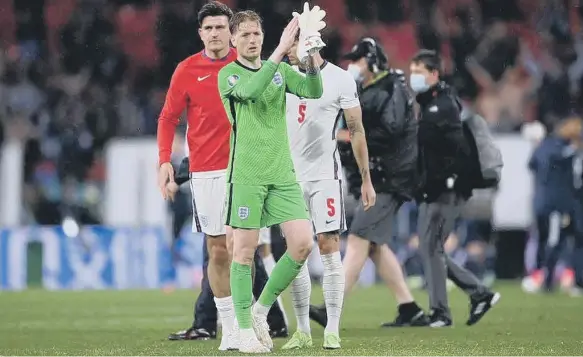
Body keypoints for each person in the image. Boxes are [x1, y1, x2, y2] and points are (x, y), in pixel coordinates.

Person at [217, 8, 324, 353]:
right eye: (245, 34)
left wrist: (307, 57)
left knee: (303, 244)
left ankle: (261, 310)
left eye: (257, 34)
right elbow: (250, 92)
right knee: (244, 254)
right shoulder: (229, 75)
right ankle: (244, 331)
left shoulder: (278, 72)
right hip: (247, 175)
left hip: (281, 173)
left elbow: (313, 90)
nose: (252, 40)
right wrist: (279, 52)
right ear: (232, 39)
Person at [311, 37, 428, 328]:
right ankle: (409, 308)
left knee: (360, 237)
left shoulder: (392, 88)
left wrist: (350, 137)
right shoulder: (374, 88)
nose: (352, 66)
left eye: (358, 60)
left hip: (389, 178)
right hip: (382, 176)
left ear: (373, 61)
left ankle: (331, 307)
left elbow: (391, 131)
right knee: (374, 245)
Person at [280, 36, 375, 350]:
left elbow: (357, 129)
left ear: (310, 45)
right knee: (297, 252)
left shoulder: (340, 78)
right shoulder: (281, 74)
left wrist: (365, 178)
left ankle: (332, 327)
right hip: (290, 179)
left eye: (293, 43)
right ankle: (303, 330)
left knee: (329, 248)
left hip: (325, 177)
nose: (288, 50)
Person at [156, 1, 239, 350]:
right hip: (205, 172)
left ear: (230, 31)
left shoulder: (248, 64)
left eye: (221, 27)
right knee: (218, 252)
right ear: (200, 33)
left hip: (246, 169)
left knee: (246, 250)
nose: (215, 33)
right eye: (209, 28)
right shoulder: (187, 69)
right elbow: (167, 118)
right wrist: (164, 161)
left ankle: (252, 322)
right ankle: (232, 328)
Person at [410, 49, 500, 327]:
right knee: (430, 248)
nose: (414, 78)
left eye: (419, 73)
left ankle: (443, 311)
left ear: (434, 75)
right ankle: (477, 294)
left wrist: (435, 184)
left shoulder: (443, 106)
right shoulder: (433, 102)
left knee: (432, 247)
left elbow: (443, 151)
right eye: (412, 73)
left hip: (445, 190)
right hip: (438, 189)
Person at [165, 157, 289, 343]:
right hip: (221, 174)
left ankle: (260, 321)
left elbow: (214, 141)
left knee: (244, 254)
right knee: (222, 253)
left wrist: (178, 176)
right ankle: (233, 325)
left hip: (241, 174)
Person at [523, 115, 583, 296]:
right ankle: (548, 281)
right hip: (558, 204)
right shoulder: (561, 149)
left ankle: (559, 279)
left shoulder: (547, 147)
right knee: (555, 241)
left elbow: (531, 165)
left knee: (559, 241)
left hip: (556, 203)